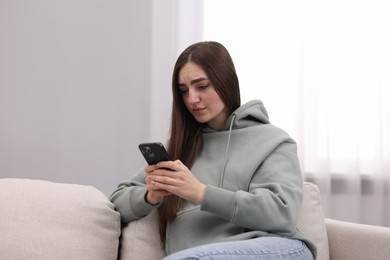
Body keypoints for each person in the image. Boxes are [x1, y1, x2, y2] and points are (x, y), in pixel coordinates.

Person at [110, 41, 316, 259]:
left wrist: (200, 192)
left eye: (202, 86)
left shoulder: (273, 140)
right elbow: (117, 201)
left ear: (225, 81)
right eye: (183, 90)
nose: (192, 99)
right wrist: (150, 196)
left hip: (276, 249)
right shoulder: (182, 147)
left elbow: (282, 213)